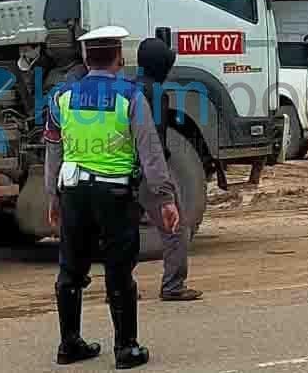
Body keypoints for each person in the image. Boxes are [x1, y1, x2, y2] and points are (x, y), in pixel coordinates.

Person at [44, 26, 180, 369]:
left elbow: (53, 151)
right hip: (114, 195)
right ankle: (125, 348)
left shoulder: (62, 96)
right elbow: (150, 153)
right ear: (120, 57)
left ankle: (69, 343)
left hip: (73, 193)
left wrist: (53, 197)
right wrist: (165, 198)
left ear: (86, 58)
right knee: (119, 270)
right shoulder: (130, 97)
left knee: (71, 269)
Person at [134, 38, 203, 301]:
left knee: (123, 233)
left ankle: (119, 286)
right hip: (150, 173)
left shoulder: (129, 89)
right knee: (175, 227)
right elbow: (156, 139)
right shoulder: (157, 93)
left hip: (125, 172)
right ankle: (173, 285)